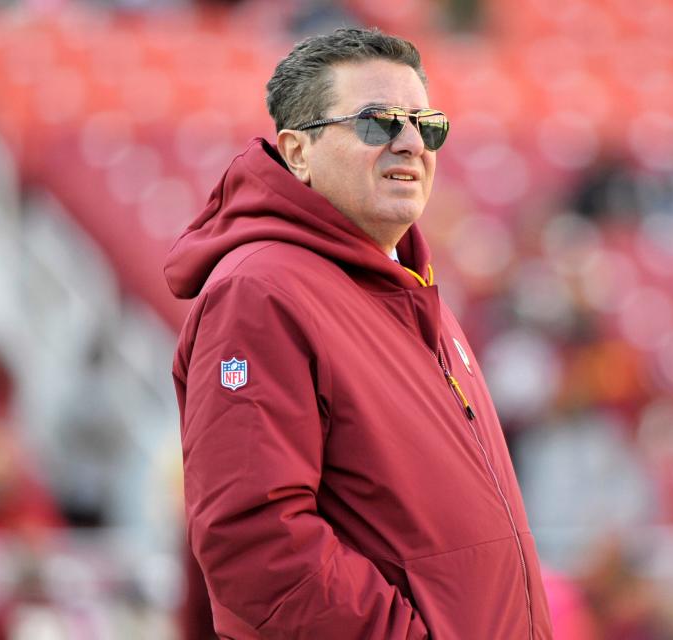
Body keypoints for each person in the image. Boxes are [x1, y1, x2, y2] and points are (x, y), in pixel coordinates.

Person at [164, 27, 554, 639]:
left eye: (426, 126)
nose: (409, 144)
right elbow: (256, 542)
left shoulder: (411, 290)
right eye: (377, 123)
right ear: (298, 153)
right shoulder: (260, 291)